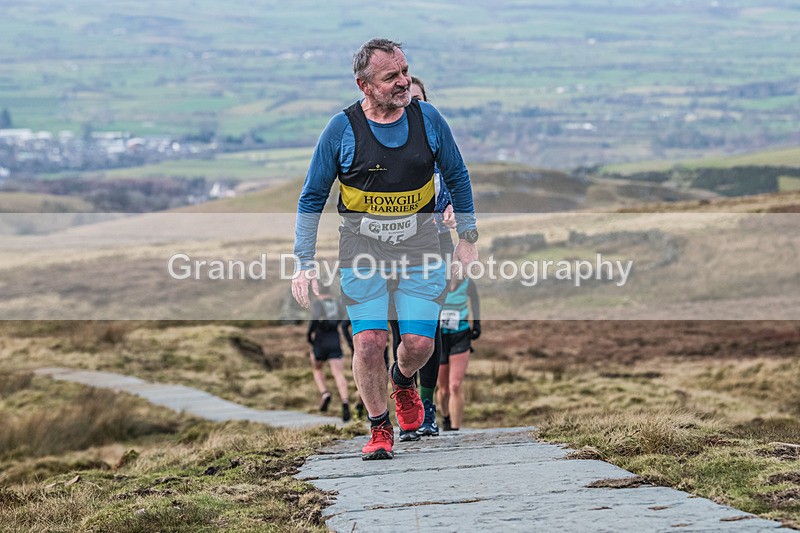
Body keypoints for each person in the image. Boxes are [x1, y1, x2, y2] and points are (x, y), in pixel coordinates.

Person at [292, 38, 479, 460]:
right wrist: (303, 263)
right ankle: (379, 427)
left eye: (405, 71)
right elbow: (311, 198)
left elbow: (458, 176)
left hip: (422, 246)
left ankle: (403, 380)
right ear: (364, 85)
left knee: (419, 344)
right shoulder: (340, 130)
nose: (404, 82)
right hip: (362, 250)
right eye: (390, 77)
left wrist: (467, 239)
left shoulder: (428, 119)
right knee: (369, 340)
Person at [390, 75, 457, 442]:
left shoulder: (435, 141)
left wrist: (451, 213)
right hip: (389, 251)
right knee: (399, 329)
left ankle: (427, 407)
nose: (408, 106)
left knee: (427, 327)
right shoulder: (381, 145)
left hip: (435, 247)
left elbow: (455, 182)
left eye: (417, 101)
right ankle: (406, 395)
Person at [437, 277, 481, 431]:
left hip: (461, 335)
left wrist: (476, 323)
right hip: (440, 337)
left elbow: (475, 302)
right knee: (443, 389)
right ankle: (445, 417)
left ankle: (455, 429)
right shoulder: (438, 281)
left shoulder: (468, 284)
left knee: (455, 385)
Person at [307, 285, 354, 422]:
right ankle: (345, 401)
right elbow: (342, 318)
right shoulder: (336, 302)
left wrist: (309, 335)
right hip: (334, 339)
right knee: (338, 373)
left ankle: (325, 393)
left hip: (320, 339)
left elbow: (315, 319)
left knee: (317, 368)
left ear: (318, 291)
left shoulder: (317, 303)